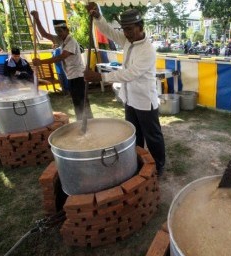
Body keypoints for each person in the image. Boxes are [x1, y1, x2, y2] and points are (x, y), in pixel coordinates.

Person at [84, 4, 166, 177]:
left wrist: (101, 77)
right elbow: (109, 31)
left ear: (140, 27)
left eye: (129, 29)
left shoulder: (148, 50)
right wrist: (98, 17)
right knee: (134, 135)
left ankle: (158, 166)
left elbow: (130, 74)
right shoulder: (128, 41)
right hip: (130, 99)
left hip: (144, 101)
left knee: (153, 137)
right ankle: (137, 162)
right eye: (124, 29)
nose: (126, 33)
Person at [30, 11, 93, 121]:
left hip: (78, 76)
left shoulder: (71, 41)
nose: (58, 33)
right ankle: (81, 122)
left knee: (82, 101)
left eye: (60, 31)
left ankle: (89, 122)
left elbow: (61, 57)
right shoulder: (61, 40)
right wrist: (37, 19)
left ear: (66, 30)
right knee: (77, 101)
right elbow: (44, 34)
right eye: (56, 31)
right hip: (71, 76)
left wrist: (41, 62)